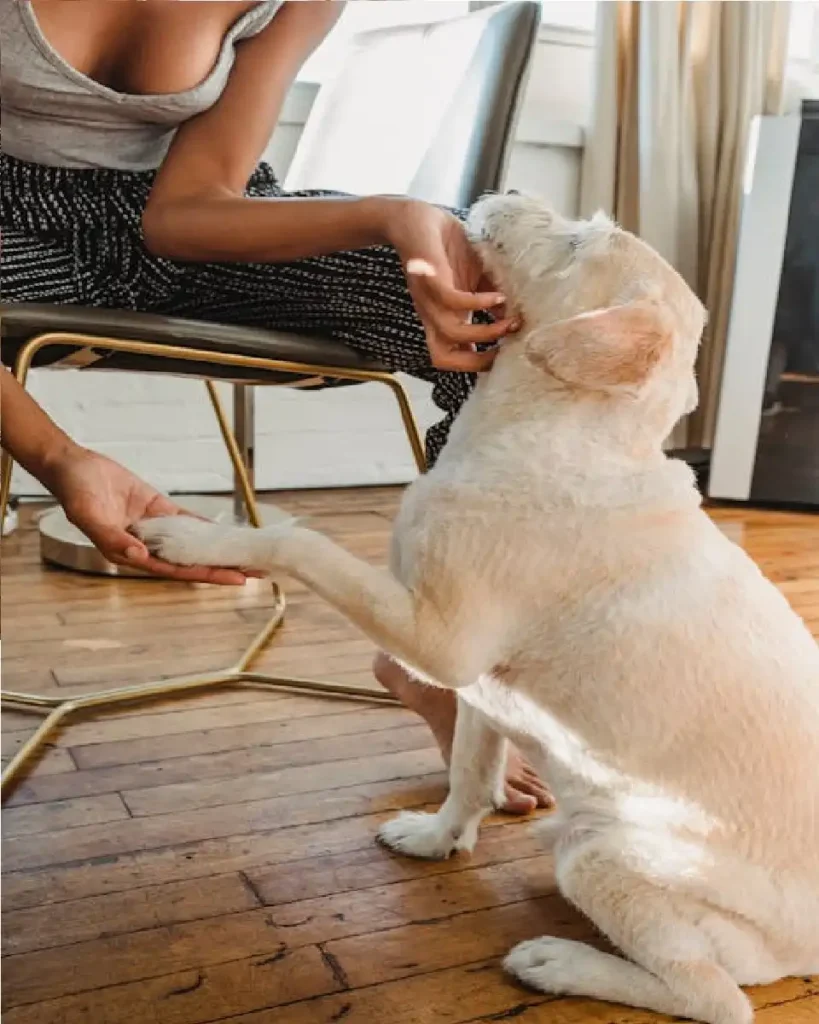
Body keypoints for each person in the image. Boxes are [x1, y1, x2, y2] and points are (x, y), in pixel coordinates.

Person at [0, 0, 549, 811]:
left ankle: (432, 648)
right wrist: (58, 456)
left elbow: (183, 213)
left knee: (504, 320)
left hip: (198, 230)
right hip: (13, 232)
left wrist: (397, 215)